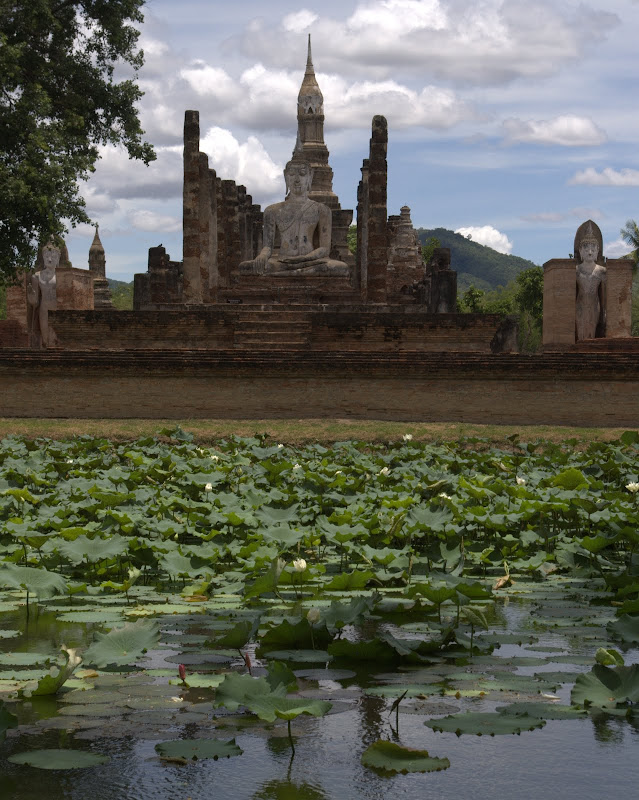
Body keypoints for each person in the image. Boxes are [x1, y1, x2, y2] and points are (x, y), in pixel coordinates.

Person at [239, 159, 349, 277]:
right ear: (286, 177)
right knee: (246, 267)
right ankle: (293, 273)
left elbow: (324, 249)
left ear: (310, 177)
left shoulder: (322, 210)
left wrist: (304, 258)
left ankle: (286, 275)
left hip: (311, 261)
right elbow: (267, 246)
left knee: (340, 268)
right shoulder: (272, 210)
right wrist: (262, 256)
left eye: (302, 174)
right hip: (283, 261)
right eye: (292, 174)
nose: (297, 180)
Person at [575, 223, 606, 341]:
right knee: (581, 333)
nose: (589, 252)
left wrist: (605, 312)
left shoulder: (602, 271)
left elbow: (604, 295)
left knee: (591, 333)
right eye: (586, 249)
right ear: (580, 251)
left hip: (594, 305)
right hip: (580, 305)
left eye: (593, 249)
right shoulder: (576, 270)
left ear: (597, 251)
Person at [27, 238, 59, 348]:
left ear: (58, 258)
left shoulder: (61, 276)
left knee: (56, 338)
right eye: (46, 256)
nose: (49, 259)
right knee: (45, 339)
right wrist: (31, 295)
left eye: (53, 256)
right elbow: (35, 302)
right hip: (44, 310)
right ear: (43, 257)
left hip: (57, 309)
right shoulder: (36, 276)